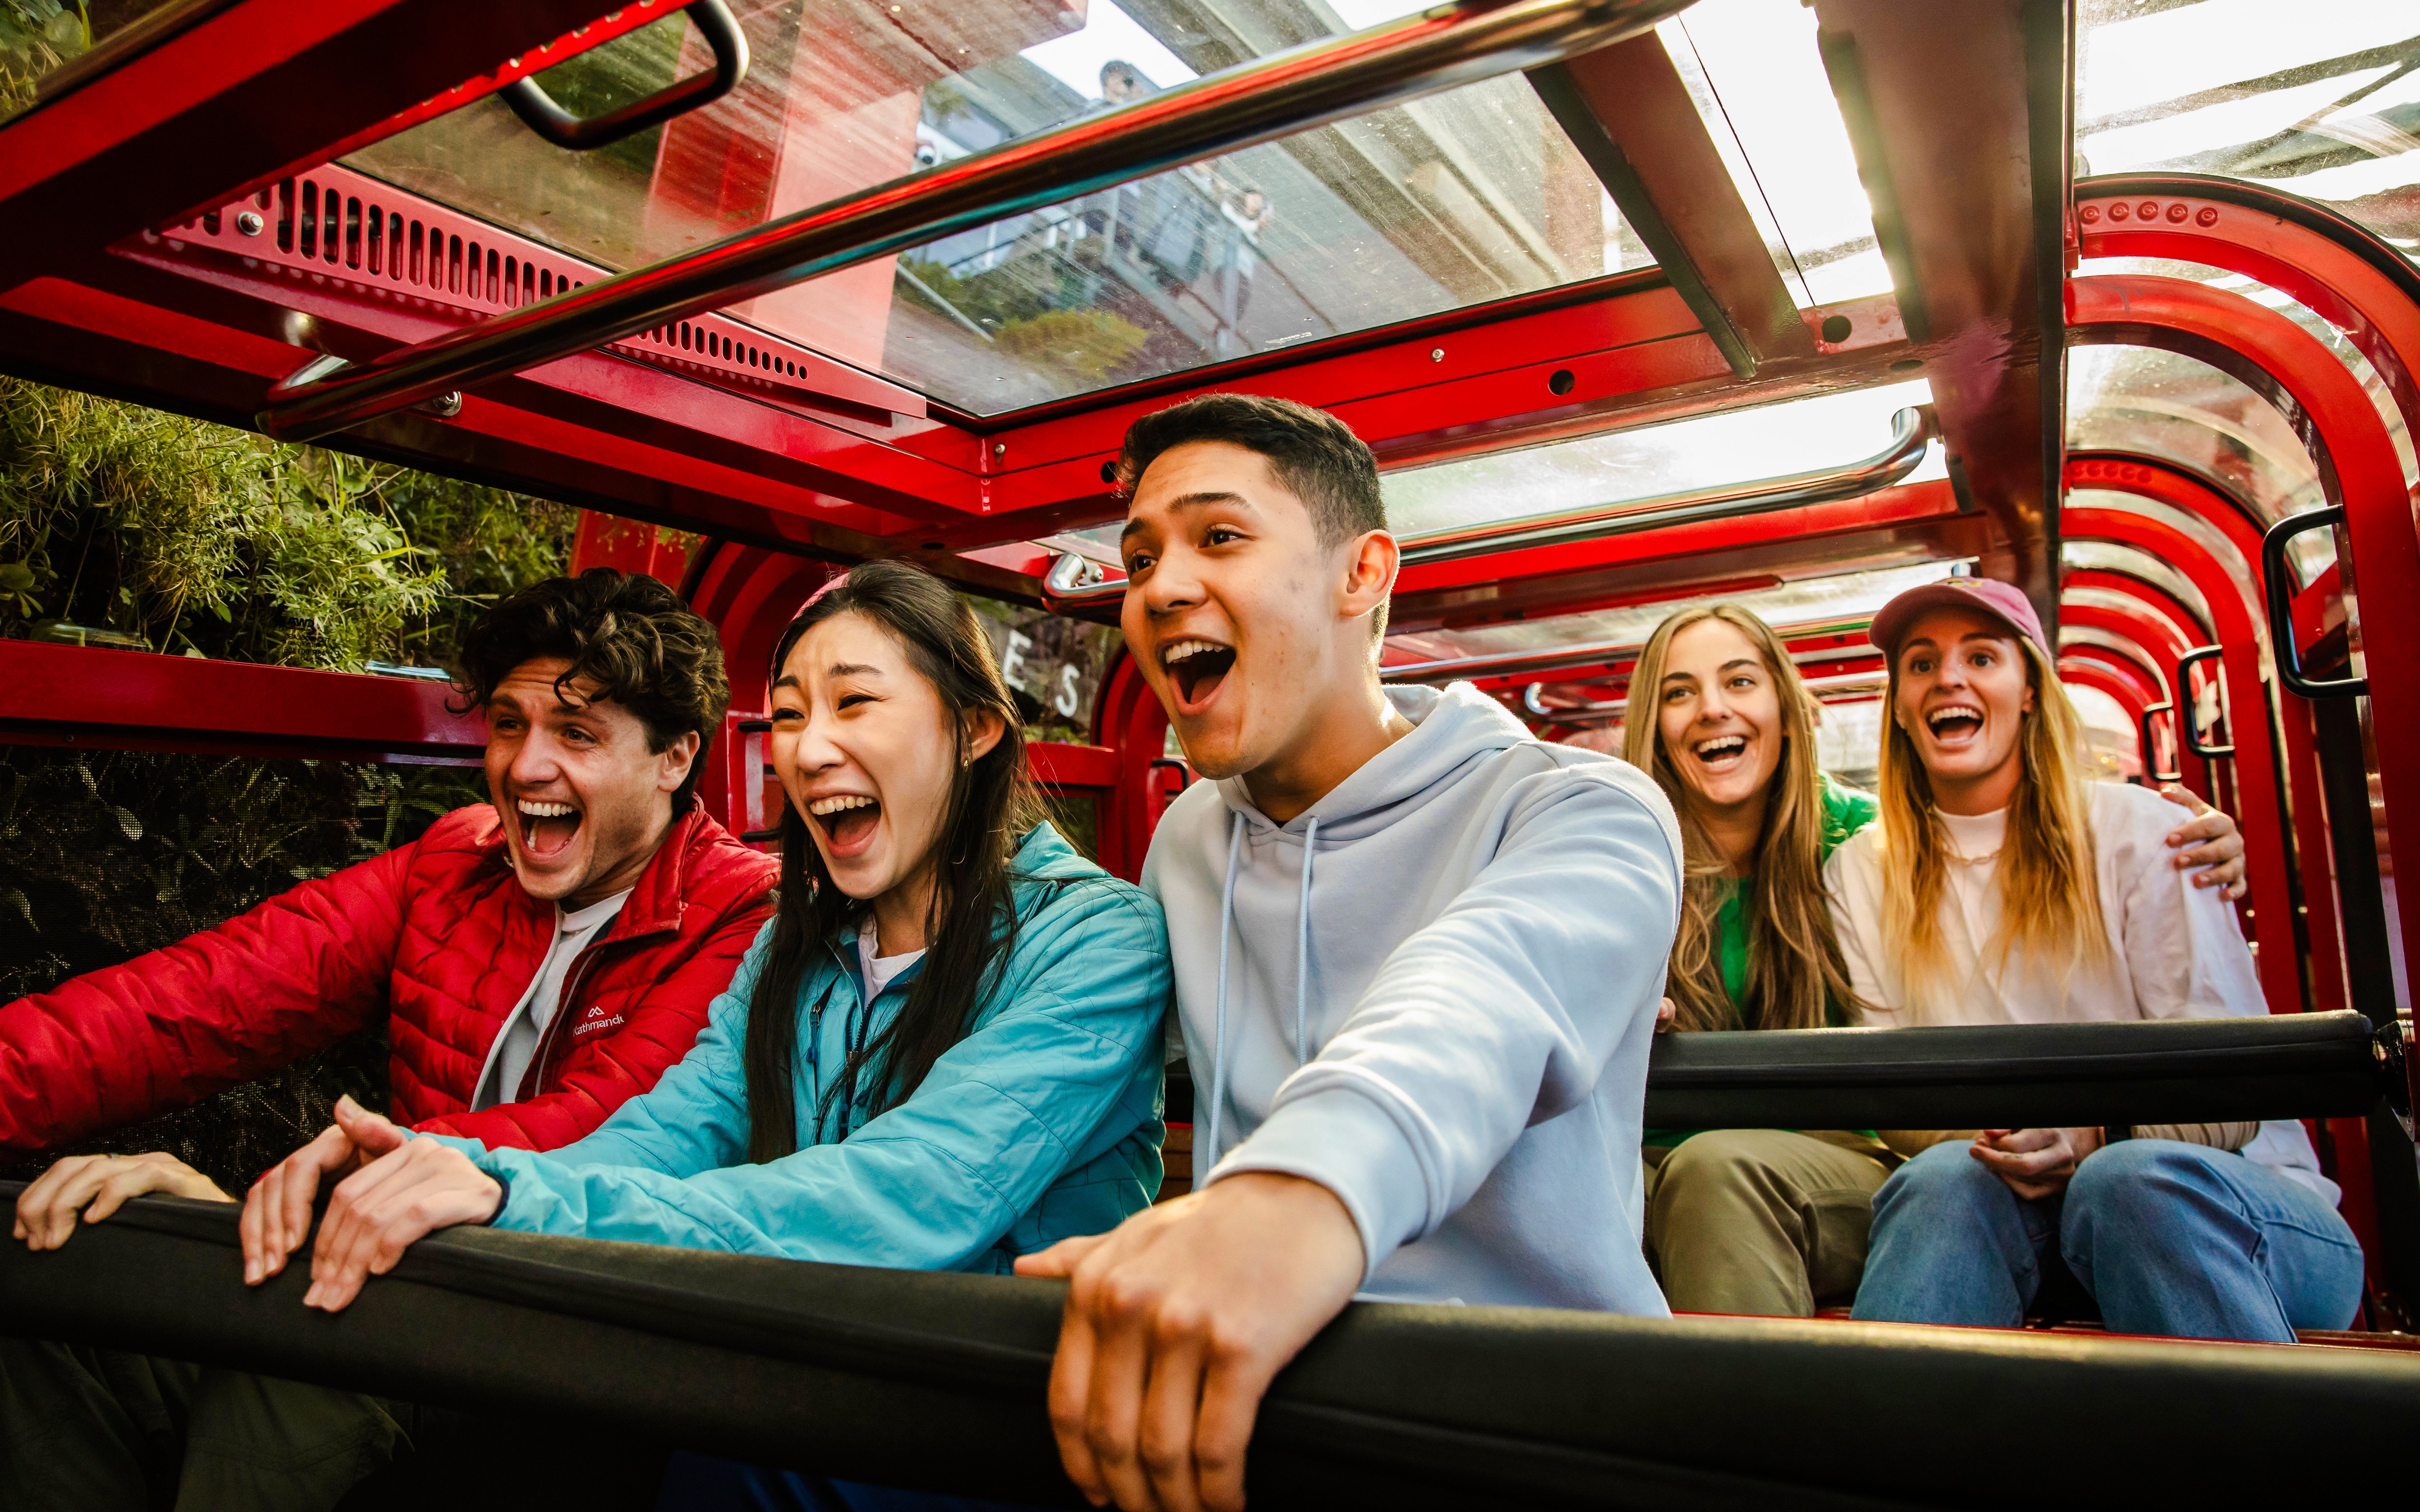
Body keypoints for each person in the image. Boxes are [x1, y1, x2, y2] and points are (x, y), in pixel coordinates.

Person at [236, 560, 1172, 1509]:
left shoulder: (1094, 941)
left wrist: (511, 1192)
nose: (806, 751)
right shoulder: (797, 946)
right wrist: (461, 1171)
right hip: (793, 1376)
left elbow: (905, 1197)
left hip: (990, 1420)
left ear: (973, 729)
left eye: (854, 705)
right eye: (793, 716)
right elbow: (672, 1132)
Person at [1016, 393, 1684, 1512]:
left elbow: (1481, 993)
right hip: (1249, 1405)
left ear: (1362, 574)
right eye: (1140, 558)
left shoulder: (1582, 809)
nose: (1163, 586)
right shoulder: (1186, 840)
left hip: (1532, 1422)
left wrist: (1288, 1198)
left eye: (1218, 537)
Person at [3, 568, 777, 1512]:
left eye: (577, 734)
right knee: (46, 1280)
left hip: (578, 1321)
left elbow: (609, 1125)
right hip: (392, 1266)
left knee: (294, 1362)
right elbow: (203, 997)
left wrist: (296, 1203)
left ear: (674, 759)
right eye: (507, 724)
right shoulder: (458, 862)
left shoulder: (743, 911)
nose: (527, 767)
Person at [1622, 603, 2248, 1319]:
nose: (1710, 711)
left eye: (1738, 682)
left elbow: (1979, 845)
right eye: (1679, 693)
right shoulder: (1622, 863)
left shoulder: (1859, 848)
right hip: (1652, 1159)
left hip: (1816, 1165)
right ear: (1655, 727)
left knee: (1717, 1174)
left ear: (1789, 712)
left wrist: (2198, 842)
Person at [1830, 575, 2363, 1342]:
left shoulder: (2146, 832)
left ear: (2031, 694)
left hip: (2240, 1210)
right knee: (1943, 1181)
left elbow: (2231, 1090)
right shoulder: (1859, 872)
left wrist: (2090, 1140)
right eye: (1921, 664)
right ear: (1903, 712)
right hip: (2018, 1213)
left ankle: (2263, 1455)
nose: (1948, 677)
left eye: (1981, 658)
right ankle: (1883, 1456)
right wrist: (2009, 1144)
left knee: (2127, 1183)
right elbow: (1896, 1104)